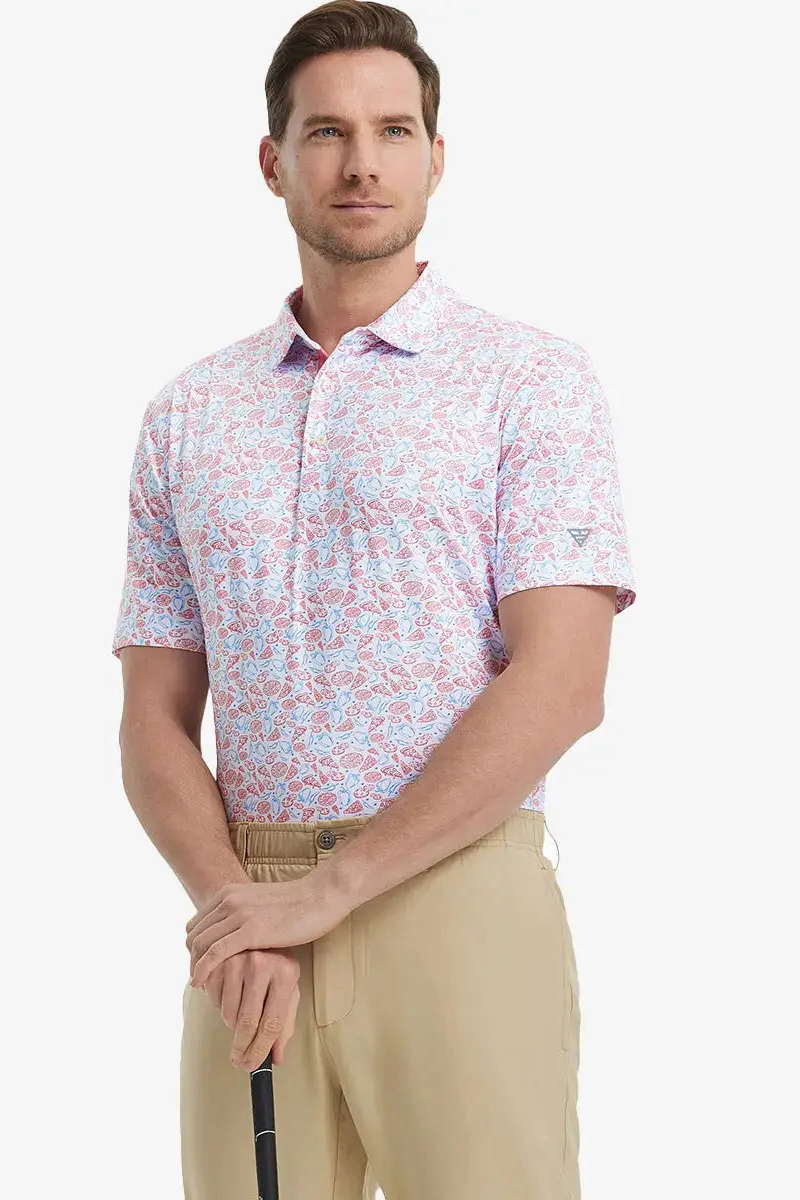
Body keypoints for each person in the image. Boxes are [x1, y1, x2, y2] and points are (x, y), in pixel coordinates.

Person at [111, 3, 637, 1197]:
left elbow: (565, 680)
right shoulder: (189, 414)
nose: (362, 162)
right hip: (249, 909)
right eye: (328, 132)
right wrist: (236, 906)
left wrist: (332, 891)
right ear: (273, 161)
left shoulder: (529, 382)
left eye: (394, 131)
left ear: (437, 158)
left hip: (457, 893)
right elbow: (152, 717)